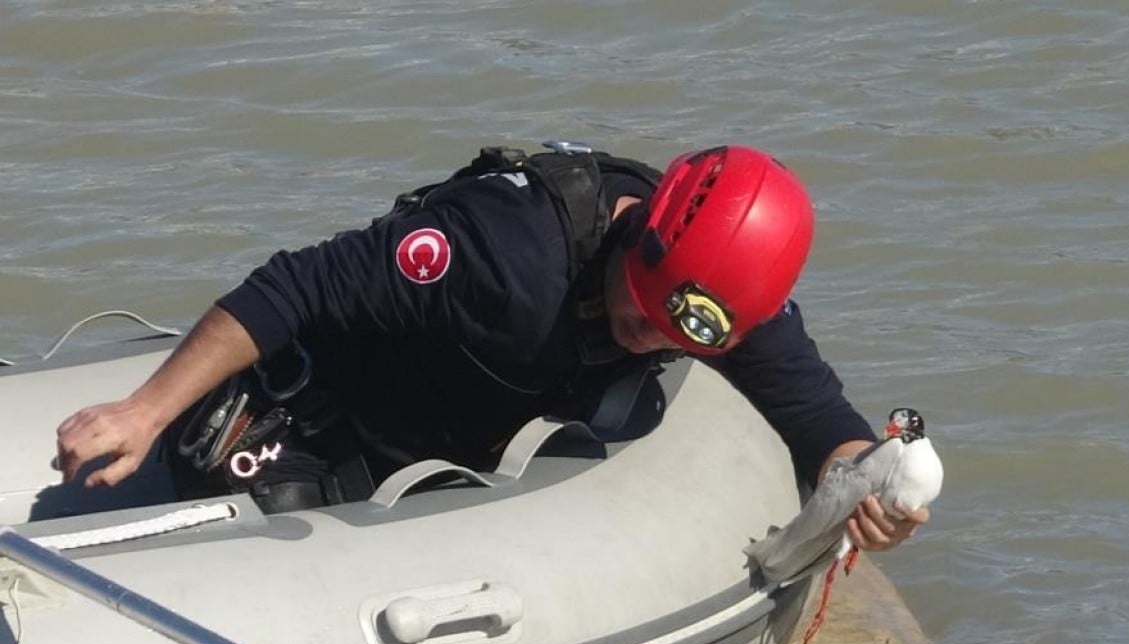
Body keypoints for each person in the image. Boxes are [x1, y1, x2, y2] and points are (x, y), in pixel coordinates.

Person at [54, 142, 928, 552]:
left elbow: (823, 426)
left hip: (469, 447)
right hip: (330, 417)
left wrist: (872, 490)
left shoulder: (728, 302)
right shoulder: (500, 249)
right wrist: (144, 409)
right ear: (640, 235)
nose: (650, 333)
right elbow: (295, 288)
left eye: (683, 330)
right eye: (644, 304)